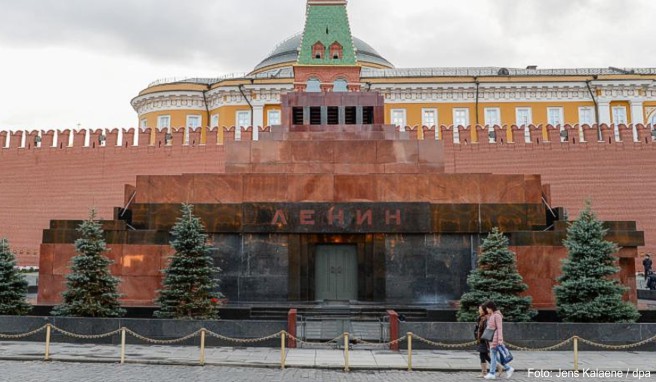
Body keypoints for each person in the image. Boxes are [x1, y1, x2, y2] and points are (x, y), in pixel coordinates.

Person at [483, 301, 514, 380]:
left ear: (491, 308)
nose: (486, 310)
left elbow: (500, 328)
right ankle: (508, 368)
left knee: (493, 356)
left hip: (496, 339)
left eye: (487, 308)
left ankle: (492, 373)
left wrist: (500, 339)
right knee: (494, 356)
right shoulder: (492, 315)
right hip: (492, 339)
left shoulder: (497, 316)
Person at [474, 304, 492, 377]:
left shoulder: (486, 318)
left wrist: (483, 338)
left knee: (482, 355)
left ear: (484, 310)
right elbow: (477, 328)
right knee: (484, 355)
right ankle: (498, 366)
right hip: (480, 339)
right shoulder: (480, 318)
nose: (479, 310)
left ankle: (484, 373)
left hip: (484, 340)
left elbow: (486, 330)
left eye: (480, 309)